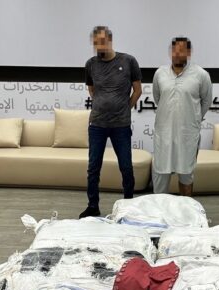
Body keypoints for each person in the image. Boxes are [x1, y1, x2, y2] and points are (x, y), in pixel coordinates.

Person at [79, 26, 142, 218]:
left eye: (103, 41)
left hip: (120, 125)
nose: (100, 45)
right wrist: (103, 104)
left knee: (126, 167)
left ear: (110, 40)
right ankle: (93, 206)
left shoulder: (128, 61)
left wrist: (125, 108)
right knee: (93, 168)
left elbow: (137, 90)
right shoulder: (90, 64)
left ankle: (128, 207)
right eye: (96, 42)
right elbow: (92, 90)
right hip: (97, 124)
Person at [152, 37, 212, 196]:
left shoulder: (201, 75)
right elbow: (158, 98)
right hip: (164, 133)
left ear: (189, 52)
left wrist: (195, 118)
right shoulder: (160, 73)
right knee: (161, 173)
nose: (177, 54)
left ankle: (186, 208)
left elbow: (206, 100)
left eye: (181, 50)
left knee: (186, 174)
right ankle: (160, 210)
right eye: (174, 50)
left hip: (187, 134)